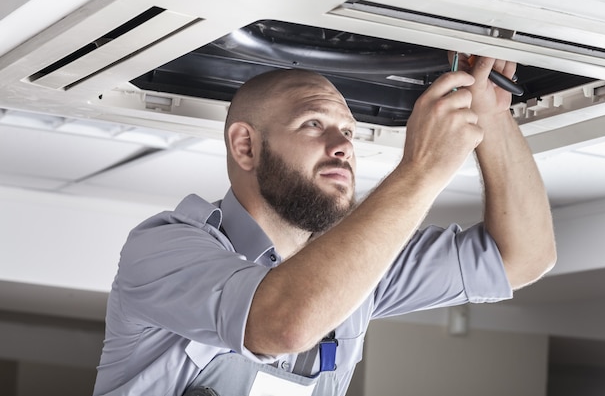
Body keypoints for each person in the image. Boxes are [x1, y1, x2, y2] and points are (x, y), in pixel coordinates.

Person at [93, 55, 557, 396]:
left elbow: (523, 256)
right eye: (313, 123)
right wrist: (421, 170)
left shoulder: (361, 264)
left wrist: (491, 116)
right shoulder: (161, 249)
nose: (343, 146)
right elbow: (282, 323)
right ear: (245, 147)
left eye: (350, 132)